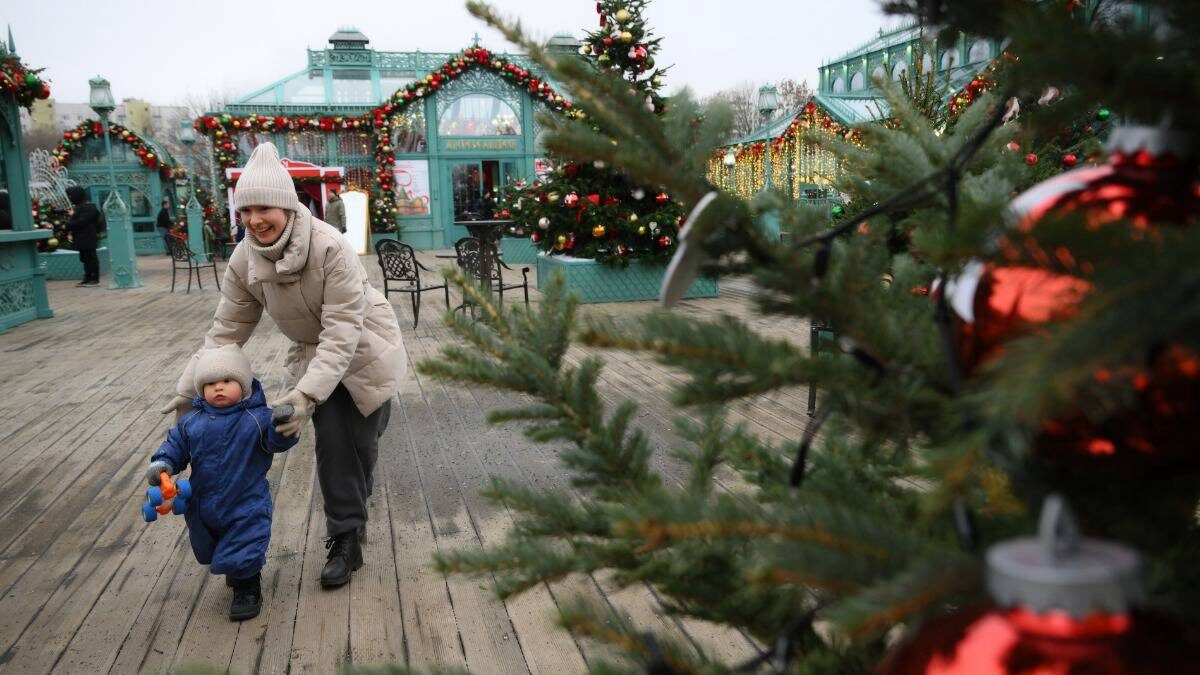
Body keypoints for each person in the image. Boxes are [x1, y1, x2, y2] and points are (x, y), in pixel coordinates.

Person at [160, 142, 406, 589]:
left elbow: (343, 332)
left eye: (265, 208)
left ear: (288, 207)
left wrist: (305, 395)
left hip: (367, 346)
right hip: (316, 353)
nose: (255, 219)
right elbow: (226, 332)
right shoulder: (244, 258)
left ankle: (355, 506)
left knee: (361, 448)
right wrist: (187, 390)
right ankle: (346, 538)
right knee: (333, 442)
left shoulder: (331, 248)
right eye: (246, 209)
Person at [145, 344, 297, 621]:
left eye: (227, 381)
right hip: (202, 500)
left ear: (244, 384)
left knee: (245, 542)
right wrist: (164, 464)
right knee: (208, 544)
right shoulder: (192, 421)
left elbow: (276, 441)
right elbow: (176, 446)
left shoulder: (257, 418)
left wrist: (282, 426)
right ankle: (235, 568)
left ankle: (248, 587)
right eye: (211, 383)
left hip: (245, 499)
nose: (219, 388)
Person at [65, 186, 105, 287]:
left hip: (88, 236)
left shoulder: (88, 207)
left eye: (71, 195)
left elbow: (82, 221)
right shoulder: (80, 207)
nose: (70, 198)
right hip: (81, 237)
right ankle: (87, 278)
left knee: (91, 258)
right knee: (85, 258)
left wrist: (68, 224)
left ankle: (94, 279)